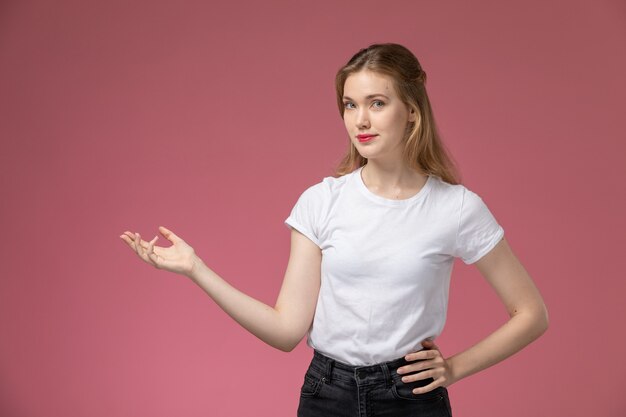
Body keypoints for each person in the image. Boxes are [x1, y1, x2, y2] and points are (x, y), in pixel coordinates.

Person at [120, 43, 549, 417]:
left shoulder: (455, 208)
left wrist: (454, 367)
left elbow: (531, 313)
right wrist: (197, 269)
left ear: (412, 111)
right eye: (350, 104)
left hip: (411, 399)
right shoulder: (321, 202)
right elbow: (287, 330)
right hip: (327, 394)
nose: (361, 119)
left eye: (377, 103)